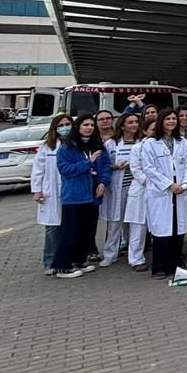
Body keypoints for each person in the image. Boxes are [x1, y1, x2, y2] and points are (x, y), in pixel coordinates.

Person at [51, 113, 110, 279]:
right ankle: (62, 265)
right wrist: (87, 162)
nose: (89, 128)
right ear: (78, 127)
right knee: (70, 232)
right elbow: (65, 170)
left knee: (86, 231)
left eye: (92, 125)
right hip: (74, 196)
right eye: (86, 125)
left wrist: (102, 182)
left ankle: (79, 260)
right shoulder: (67, 148)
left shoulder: (98, 145)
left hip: (92, 195)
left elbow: (105, 166)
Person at [139, 108, 187, 279]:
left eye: (173, 118)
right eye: (168, 119)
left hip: (180, 190)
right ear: (161, 121)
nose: (171, 121)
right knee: (162, 229)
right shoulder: (150, 143)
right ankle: (160, 266)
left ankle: (176, 263)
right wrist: (170, 185)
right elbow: (149, 168)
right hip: (162, 191)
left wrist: (184, 184)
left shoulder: (183, 141)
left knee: (178, 227)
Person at [99, 112, 140, 267]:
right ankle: (110, 254)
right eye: (130, 122)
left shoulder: (141, 142)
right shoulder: (111, 144)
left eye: (136, 122)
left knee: (134, 222)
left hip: (136, 187)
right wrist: (114, 167)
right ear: (122, 126)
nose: (134, 125)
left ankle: (134, 252)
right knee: (115, 221)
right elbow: (103, 165)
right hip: (118, 187)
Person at [31, 114, 70, 275]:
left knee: (68, 227)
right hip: (51, 192)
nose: (65, 127)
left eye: (68, 124)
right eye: (61, 125)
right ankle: (49, 262)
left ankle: (66, 259)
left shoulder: (74, 144)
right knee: (52, 229)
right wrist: (37, 190)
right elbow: (38, 170)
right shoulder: (47, 147)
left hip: (69, 191)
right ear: (54, 128)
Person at [124, 117, 155, 272]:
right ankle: (135, 259)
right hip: (142, 189)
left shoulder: (163, 145)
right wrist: (153, 183)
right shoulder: (137, 148)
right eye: (152, 129)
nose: (155, 132)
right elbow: (135, 170)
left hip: (159, 192)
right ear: (144, 131)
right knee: (138, 227)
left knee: (158, 226)